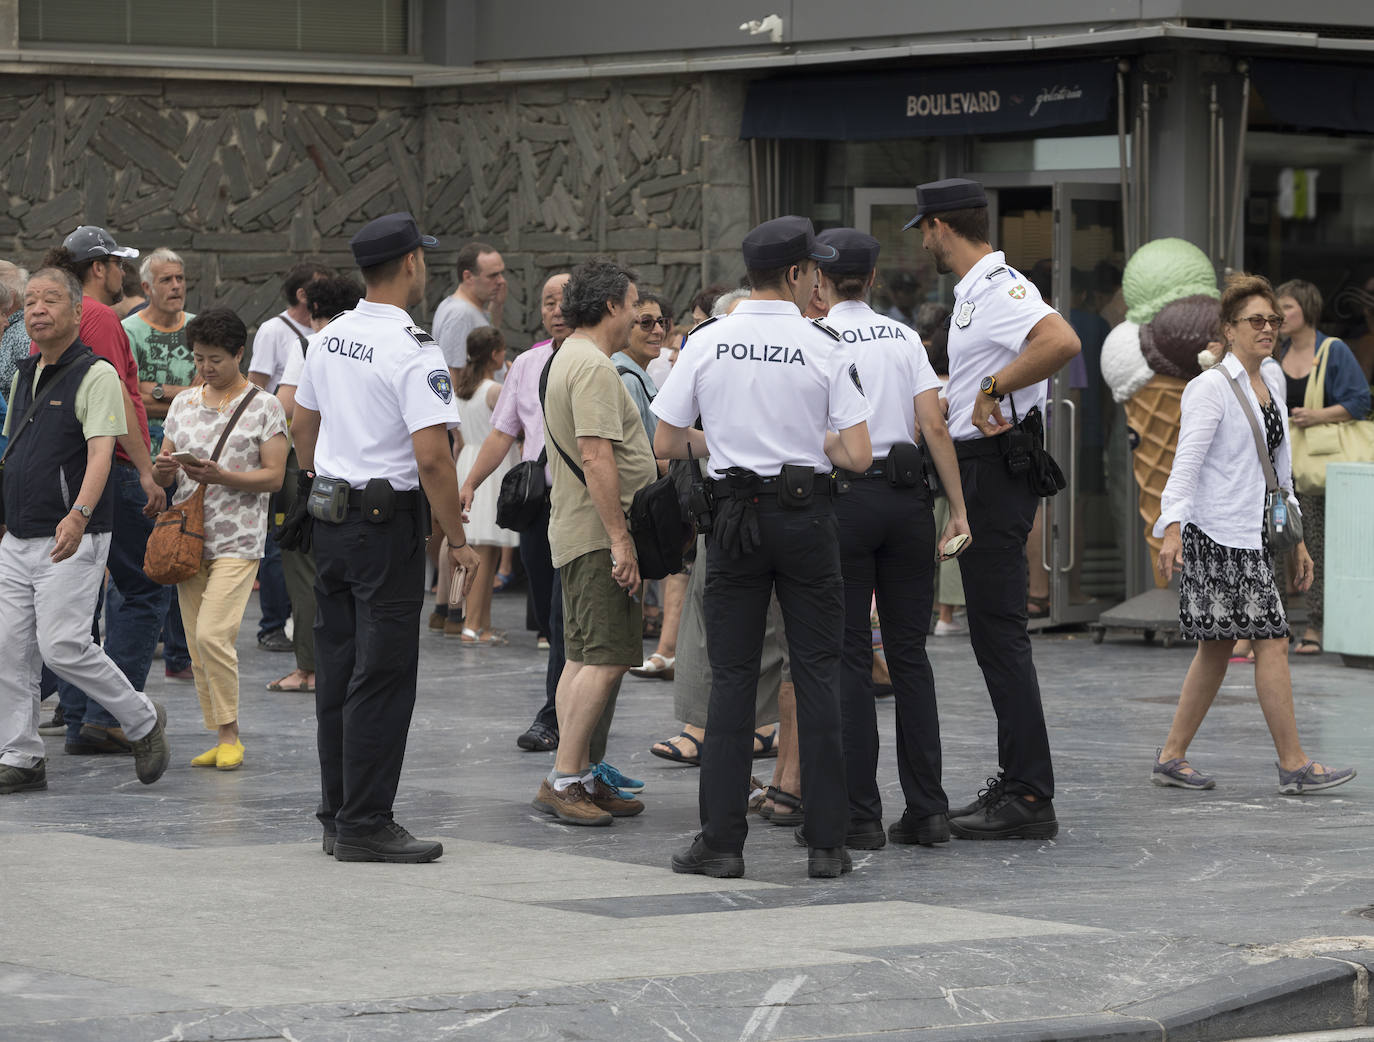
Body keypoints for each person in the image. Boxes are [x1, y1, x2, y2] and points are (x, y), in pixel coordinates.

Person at [653, 215, 873, 880]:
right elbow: (858, 455)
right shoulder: (824, 343)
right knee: (818, 674)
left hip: (733, 521)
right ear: (801, 274)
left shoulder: (708, 340)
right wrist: (810, 446)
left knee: (732, 681)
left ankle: (720, 842)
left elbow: (666, 442)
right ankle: (828, 845)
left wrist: (720, 443)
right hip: (806, 520)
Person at [282, 211, 480, 863]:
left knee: (336, 669)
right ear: (413, 264)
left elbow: (302, 419)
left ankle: (338, 814)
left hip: (332, 519)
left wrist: (320, 475)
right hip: (383, 526)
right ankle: (367, 822)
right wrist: (456, 535)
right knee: (384, 673)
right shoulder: (411, 348)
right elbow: (432, 457)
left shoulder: (333, 336)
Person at [907, 179, 1080, 840]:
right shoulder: (976, 291)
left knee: (1000, 634)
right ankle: (1019, 782)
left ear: (940, 226)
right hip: (982, 469)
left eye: (924, 227)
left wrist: (992, 385)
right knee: (991, 633)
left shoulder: (1001, 288)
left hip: (992, 473)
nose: (923, 240)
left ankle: (1031, 794)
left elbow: (1060, 342)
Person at [1153, 273, 1355, 795]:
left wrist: (1298, 539)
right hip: (1216, 534)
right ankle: (1293, 763)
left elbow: (1280, 471)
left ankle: (1172, 754)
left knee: (1218, 649)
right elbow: (1186, 466)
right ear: (1229, 328)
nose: (1269, 328)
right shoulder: (1209, 389)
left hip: (1256, 534)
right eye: (1256, 321)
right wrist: (1170, 529)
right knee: (1271, 642)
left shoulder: (1273, 379)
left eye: (1274, 319)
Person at [815, 228, 972, 850]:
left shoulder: (817, 337)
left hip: (845, 502)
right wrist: (957, 509)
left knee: (852, 658)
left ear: (819, 280)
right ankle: (928, 810)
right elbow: (933, 424)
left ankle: (859, 815)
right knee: (910, 657)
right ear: (873, 279)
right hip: (908, 502)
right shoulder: (904, 336)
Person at [0, 267, 170, 794]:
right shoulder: (25, 373)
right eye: (30, 303)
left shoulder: (95, 374)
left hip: (72, 531)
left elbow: (101, 451)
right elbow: (13, 452)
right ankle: (20, 754)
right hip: (19, 534)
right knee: (8, 648)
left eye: (51, 300)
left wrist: (77, 514)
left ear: (77, 312)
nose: (37, 310)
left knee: (64, 646)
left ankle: (140, 719)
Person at [530, 259, 656, 827]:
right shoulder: (593, 366)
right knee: (603, 659)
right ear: (611, 306)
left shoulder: (571, 358)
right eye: (633, 304)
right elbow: (596, 454)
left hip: (579, 530)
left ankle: (577, 772)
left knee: (583, 658)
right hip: (596, 534)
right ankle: (564, 778)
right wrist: (620, 541)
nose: (637, 314)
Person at [40, 228, 174, 751]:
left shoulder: (64, 320)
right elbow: (115, 395)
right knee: (143, 588)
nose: (125, 275)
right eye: (119, 264)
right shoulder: (95, 316)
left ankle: (79, 712)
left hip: (68, 472)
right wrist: (144, 468)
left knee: (81, 601)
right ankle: (111, 714)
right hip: (109, 466)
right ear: (99, 268)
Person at [152, 309, 288, 770]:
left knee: (214, 634)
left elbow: (273, 477)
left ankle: (231, 734)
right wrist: (163, 469)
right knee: (194, 642)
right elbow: (162, 465)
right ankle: (221, 732)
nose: (205, 368)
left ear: (239, 354)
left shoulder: (265, 406)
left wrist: (222, 475)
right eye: (199, 359)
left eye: (215, 359)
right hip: (188, 536)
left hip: (239, 537)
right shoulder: (183, 403)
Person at [460, 273, 570, 748]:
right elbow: (502, 432)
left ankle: (555, 713)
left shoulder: (603, 359)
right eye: (547, 302)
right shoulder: (526, 364)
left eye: (564, 300)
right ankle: (560, 704)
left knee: (567, 614)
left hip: (585, 503)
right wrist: (469, 483)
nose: (556, 309)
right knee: (548, 611)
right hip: (539, 505)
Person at [269, 274, 365, 695]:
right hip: (363, 473)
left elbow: (288, 408)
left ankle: (309, 668)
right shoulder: (371, 347)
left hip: (313, 469)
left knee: (306, 569)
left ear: (311, 312)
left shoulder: (309, 345)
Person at [1274, 279, 1371, 657]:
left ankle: (1315, 624)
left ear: (1308, 310)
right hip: (1280, 465)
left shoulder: (1332, 350)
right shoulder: (1275, 353)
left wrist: (1318, 414)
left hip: (1313, 466)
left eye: (1288, 307)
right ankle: (1275, 624)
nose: (1280, 316)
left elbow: (1360, 401)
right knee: (1274, 541)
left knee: (1312, 544)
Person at [450, 325, 519, 644]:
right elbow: (510, 428)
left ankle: (482, 624)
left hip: (468, 462)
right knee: (485, 555)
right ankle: (471, 624)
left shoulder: (462, 389)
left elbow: (459, 437)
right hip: (490, 468)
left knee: (482, 551)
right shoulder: (492, 390)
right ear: (495, 354)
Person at [124, 247, 195, 454]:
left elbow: (209, 396)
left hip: (191, 452)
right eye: (166, 280)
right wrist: (188, 397)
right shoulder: (128, 331)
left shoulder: (199, 328)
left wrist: (156, 390)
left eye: (180, 278)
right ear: (147, 288)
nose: (176, 286)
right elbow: (129, 401)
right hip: (144, 454)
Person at [247, 262, 331, 394]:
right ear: (302, 295)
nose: (329, 295)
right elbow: (256, 385)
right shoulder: (272, 330)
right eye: (322, 289)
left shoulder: (331, 328)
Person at [432, 242, 506, 386]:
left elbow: (489, 336)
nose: (501, 281)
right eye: (493, 276)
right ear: (468, 277)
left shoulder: (468, 308)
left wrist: (497, 304)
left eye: (501, 273)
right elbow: (453, 378)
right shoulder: (459, 315)